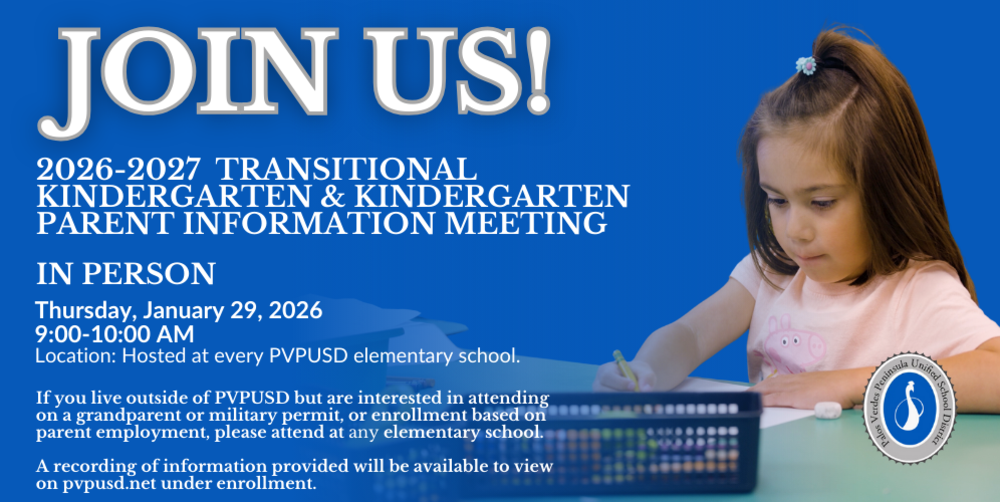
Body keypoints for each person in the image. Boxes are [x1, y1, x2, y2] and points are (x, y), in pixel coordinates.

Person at [593, 27, 1000, 413]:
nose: (795, 231)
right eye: (777, 200)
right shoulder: (772, 272)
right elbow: (691, 334)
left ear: (886, 190)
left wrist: (849, 383)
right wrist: (647, 371)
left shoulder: (918, 290)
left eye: (821, 202)